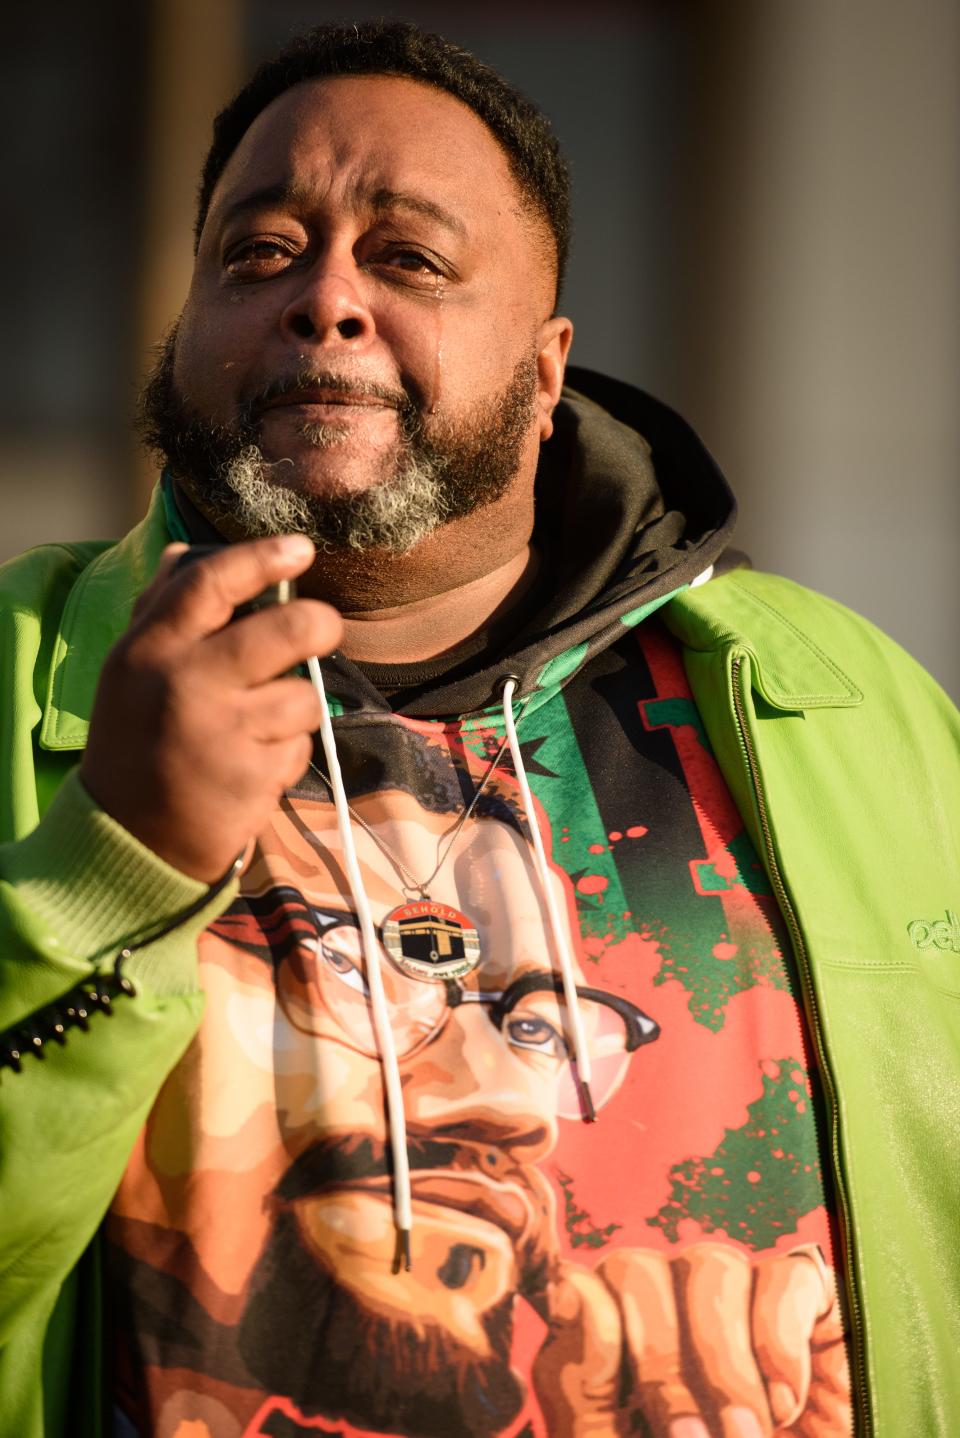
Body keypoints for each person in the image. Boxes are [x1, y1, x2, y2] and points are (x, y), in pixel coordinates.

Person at [0, 19, 956, 1438]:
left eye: (408, 258)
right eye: (259, 252)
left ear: (551, 361)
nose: (325, 298)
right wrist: (112, 872)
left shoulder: (854, 708)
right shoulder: (17, 672)